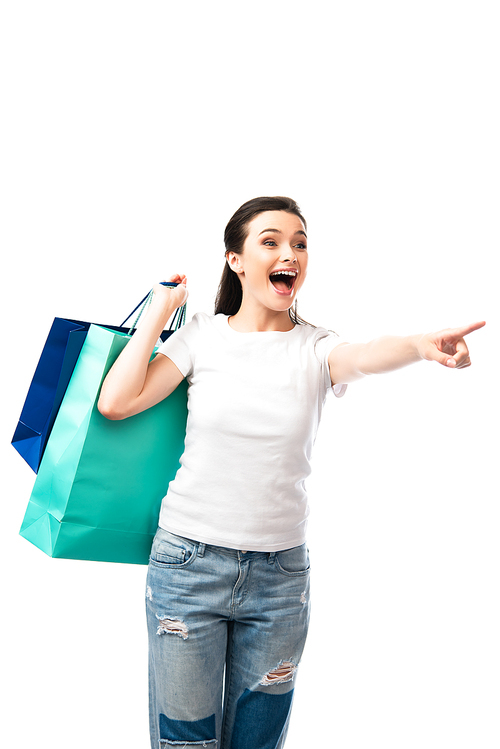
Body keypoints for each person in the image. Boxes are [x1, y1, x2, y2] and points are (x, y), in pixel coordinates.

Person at [98, 196, 485, 749]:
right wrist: (160, 311)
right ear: (235, 259)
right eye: (272, 241)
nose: (291, 254)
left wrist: (421, 346)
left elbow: (368, 353)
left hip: (279, 582)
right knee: (185, 742)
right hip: (188, 566)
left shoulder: (316, 348)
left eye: (300, 243)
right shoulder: (202, 337)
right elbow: (116, 402)